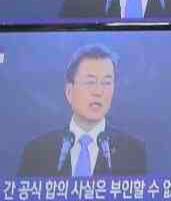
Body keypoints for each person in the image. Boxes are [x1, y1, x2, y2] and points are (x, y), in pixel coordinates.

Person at [17, 45, 148, 177]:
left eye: (106, 83)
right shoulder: (37, 151)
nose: (98, 92)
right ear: (69, 92)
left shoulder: (132, 152)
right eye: (90, 82)